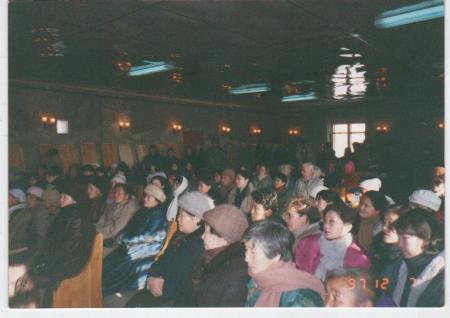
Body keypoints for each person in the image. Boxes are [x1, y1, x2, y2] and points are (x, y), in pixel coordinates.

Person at [126, 192, 214, 307]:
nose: (178, 219)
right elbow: (163, 259)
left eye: (183, 215)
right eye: (179, 214)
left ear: (197, 219)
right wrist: (152, 277)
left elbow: (188, 283)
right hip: (159, 286)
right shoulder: (179, 235)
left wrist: (163, 288)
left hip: (176, 299)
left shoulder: (201, 245)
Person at [11, 204, 95, 308]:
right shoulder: (65, 215)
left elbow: (70, 250)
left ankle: (39, 306)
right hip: (59, 260)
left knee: (34, 279)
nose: (60, 199)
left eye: (65, 197)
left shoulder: (78, 219)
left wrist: (46, 263)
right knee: (25, 275)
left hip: (69, 264)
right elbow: (52, 244)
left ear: (73, 200)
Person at [102, 184, 168, 296]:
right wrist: (124, 237)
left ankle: (107, 288)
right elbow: (129, 227)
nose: (145, 198)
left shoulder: (158, 215)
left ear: (157, 201)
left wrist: (128, 241)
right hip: (132, 243)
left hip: (147, 246)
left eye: (149, 197)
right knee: (109, 260)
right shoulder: (142, 211)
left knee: (121, 263)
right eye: (145, 195)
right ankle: (100, 284)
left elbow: (148, 236)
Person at [244, 220, 325, 307]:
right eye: (246, 250)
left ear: (275, 255)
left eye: (253, 252)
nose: (246, 259)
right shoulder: (258, 281)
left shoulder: (298, 296)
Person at [182, 204, 250, 307]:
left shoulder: (236, 273)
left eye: (208, 232)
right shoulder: (209, 256)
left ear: (225, 239)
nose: (203, 236)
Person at [379, 209, 444, 307]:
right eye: (399, 237)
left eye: (405, 238)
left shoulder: (442, 277)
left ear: (426, 239)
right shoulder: (401, 265)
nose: (400, 244)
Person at [295, 204, 371, 281]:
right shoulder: (306, 243)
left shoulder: (358, 258)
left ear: (347, 227)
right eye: (325, 221)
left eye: (332, 222)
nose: (326, 226)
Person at [96, 183, 140, 256]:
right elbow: (103, 218)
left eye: (119, 193)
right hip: (101, 235)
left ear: (127, 196)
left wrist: (98, 235)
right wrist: (96, 230)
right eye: (115, 192)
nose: (115, 195)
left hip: (114, 241)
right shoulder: (113, 203)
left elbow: (114, 229)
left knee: (95, 255)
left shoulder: (130, 208)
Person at [367, 205, 406, 274]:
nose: (384, 228)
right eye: (384, 222)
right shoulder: (377, 243)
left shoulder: (405, 259)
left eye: (392, 225)